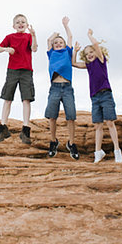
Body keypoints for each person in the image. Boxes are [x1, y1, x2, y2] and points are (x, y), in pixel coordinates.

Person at [73, 29, 122, 163]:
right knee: (98, 126)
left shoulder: (101, 60)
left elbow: (95, 45)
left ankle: (117, 150)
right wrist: (75, 51)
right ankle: (98, 152)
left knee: (110, 122)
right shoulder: (88, 65)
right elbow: (74, 64)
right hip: (94, 98)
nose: (89, 55)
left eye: (91, 52)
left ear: (96, 52)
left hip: (106, 94)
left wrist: (89, 35)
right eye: (86, 54)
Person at [0, 14, 37, 144]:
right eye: (17, 22)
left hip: (26, 71)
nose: (20, 23)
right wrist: (6, 49)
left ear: (27, 24)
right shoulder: (10, 37)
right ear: (14, 26)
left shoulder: (29, 37)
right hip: (12, 70)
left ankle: (25, 129)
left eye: (23, 21)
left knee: (26, 99)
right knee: (7, 98)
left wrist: (34, 35)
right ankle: (3, 127)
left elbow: (34, 49)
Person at [45, 17, 79, 160]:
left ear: (65, 46)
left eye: (61, 42)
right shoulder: (51, 53)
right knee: (52, 116)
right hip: (54, 87)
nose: (58, 44)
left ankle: (71, 143)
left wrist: (65, 26)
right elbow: (48, 41)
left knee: (71, 116)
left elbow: (70, 36)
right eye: (56, 43)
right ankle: (53, 141)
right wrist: (54, 35)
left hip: (67, 87)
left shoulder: (67, 52)